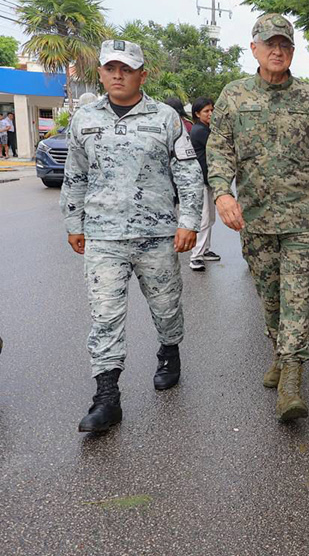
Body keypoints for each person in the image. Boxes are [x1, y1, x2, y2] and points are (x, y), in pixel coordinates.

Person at [60, 39, 203, 432]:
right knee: (104, 316)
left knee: (166, 307)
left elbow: (188, 173)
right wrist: (73, 223)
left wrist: (188, 220)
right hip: (103, 236)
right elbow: (75, 174)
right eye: (110, 69)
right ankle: (107, 397)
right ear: (102, 73)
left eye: (126, 69)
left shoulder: (165, 118)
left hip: (156, 234)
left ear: (143, 73)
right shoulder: (84, 119)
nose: (117, 75)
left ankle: (169, 350)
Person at [206, 13, 309, 422]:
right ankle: (279, 356)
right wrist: (222, 193)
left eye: (284, 44)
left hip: (303, 216)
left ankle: (292, 383)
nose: (277, 50)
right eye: (269, 43)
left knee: (297, 296)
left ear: (293, 50)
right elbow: (219, 149)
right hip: (255, 218)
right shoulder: (233, 95)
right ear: (254, 49)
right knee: (270, 298)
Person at [188, 96, 219, 272]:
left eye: (212, 110)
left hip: (208, 181)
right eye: (206, 111)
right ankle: (196, 256)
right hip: (200, 181)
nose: (210, 113)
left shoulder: (205, 128)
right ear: (197, 113)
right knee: (204, 219)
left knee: (211, 218)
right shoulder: (200, 131)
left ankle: (205, 250)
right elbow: (218, 148)